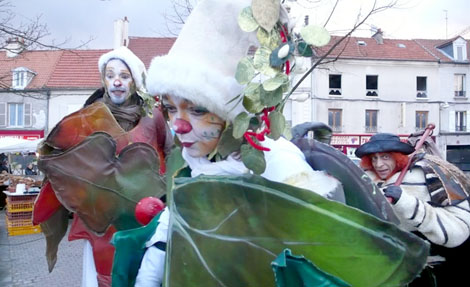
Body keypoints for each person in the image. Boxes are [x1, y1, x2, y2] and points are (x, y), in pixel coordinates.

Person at [128, 1, 430, 286]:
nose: (178, 124)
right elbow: (174, 231)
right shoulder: (196, 165)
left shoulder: (277, 162)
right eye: (169, 108)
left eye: (196, 109)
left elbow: (324, 250)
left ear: (229, 116)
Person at [34, 46, 173, 287]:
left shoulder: (153, 117)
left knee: (142, 275)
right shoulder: (88, 117)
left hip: (145, 217)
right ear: (104, 80)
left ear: (134, 81)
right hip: (99, 220)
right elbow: (70, 158)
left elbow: (171, 155)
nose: (117, 82)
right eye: (110, 75)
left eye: (124, 75)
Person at [355, 133, 470, 286]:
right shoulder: (365, 179)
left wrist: (407, 203)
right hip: (387, 264)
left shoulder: (429, 175)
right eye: (374, 158)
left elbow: (458, 229)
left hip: (431, 266)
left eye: (385, 157)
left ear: (397, 157)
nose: (378, 164)